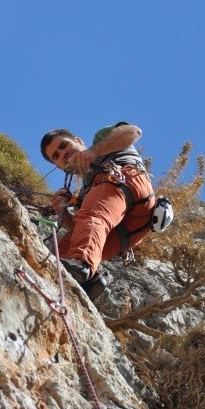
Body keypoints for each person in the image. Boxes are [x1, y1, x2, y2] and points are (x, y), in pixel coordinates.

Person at [40, 122, 155, 299]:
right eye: (57, 156)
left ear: (78, 140)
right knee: (64, 248)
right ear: (59, 166)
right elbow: (85, 231)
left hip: (126, 180)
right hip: (132, 227)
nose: (64, 154)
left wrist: (93, 151)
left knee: (92, 214)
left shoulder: (102, 139)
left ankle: (81, 264)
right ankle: (86, 282)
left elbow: (133, 131)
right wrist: (64, 213)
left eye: (64, 145)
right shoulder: (87, 191)